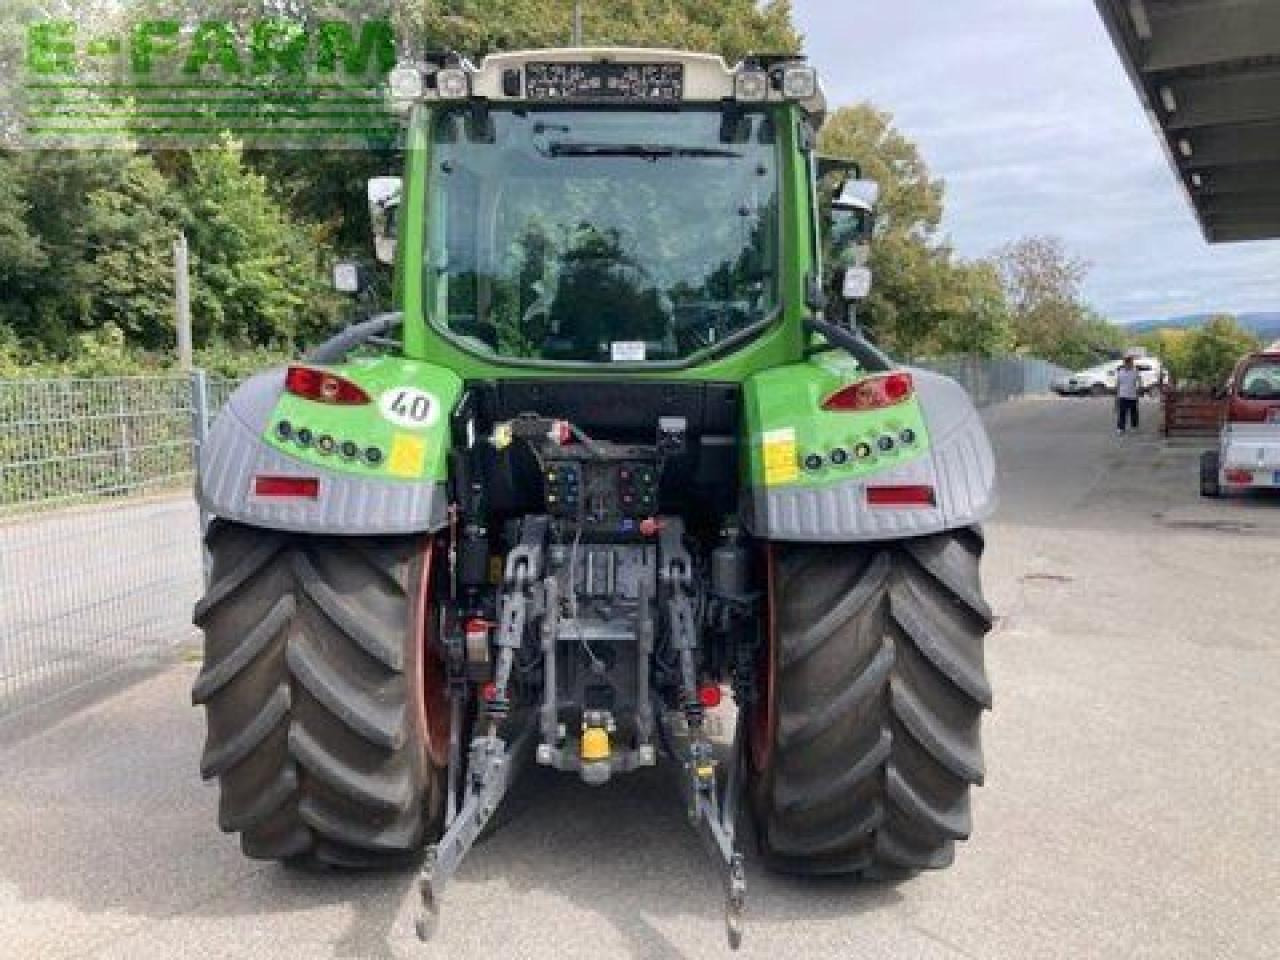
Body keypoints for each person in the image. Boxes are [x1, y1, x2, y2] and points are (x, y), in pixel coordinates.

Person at [1114, 355, 1141, 434]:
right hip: (1122, 395)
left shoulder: (1135, 371)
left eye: (1131, 363)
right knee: (1122, 413)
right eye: (1129, 363)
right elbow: (1118, 384)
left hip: (1132, 395)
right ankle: (1120, 428)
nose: (1131, 364)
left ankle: (1134, 427)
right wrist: (1116, 395)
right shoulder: (1120, 372)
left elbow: (1139, 381)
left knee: (1134, 412)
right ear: (1125, 363)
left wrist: (1138, 391)